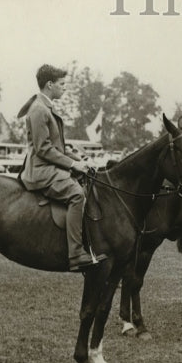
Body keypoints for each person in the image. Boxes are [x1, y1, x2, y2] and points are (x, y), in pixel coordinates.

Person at [21, 64, 105, 271]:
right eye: (61, 84)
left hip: (49, 166)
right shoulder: (39, 109)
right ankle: (75, 254)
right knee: (77, 194)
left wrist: (80, 160)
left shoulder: (46, 107)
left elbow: (58, 147)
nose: (64, 88)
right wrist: (73, 164)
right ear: (50, 85)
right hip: (40, 170)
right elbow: (43, 149)